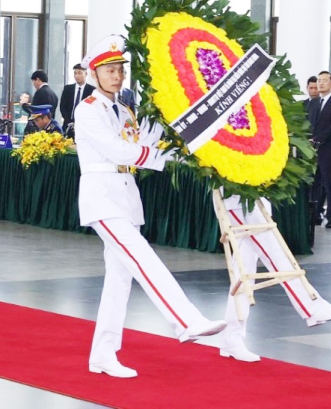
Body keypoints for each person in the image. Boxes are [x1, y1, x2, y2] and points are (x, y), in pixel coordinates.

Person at [75, 34, 225, 379]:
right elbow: (121, 151)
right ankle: (186, 320)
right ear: (94, 74)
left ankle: (103, 354)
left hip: (126, 195)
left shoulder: (125, 109)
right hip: (102, 195)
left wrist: (175, 136)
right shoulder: (88, 111)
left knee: (119, 279)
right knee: (143, 259)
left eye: (119, 70)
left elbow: (142, 143)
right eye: (109, 70)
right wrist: (155, 153)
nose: (117, 76)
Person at [217, 193, 331, 362]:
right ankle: (312, 306)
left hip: (252, 198)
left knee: (243, 271)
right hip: (238, 200)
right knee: (276, 256)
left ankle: (232, 337)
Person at [309, 70, 331, 228]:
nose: (320, 83)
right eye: (319, 80)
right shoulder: (314, 102)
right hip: (311, 150)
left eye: (324, 80)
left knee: (330, 185)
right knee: (314, 185)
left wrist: (316, 139)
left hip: (328, 150)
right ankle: (315, 214)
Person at [59, 64, 95, 136]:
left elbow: (92, 109)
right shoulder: (68, 89)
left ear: (86, 74)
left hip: (84, 127)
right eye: (75, 73)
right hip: (68, 125)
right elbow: (62, 107)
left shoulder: (92, 90)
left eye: (79, 73)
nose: (77, 76)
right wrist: (69, 122)